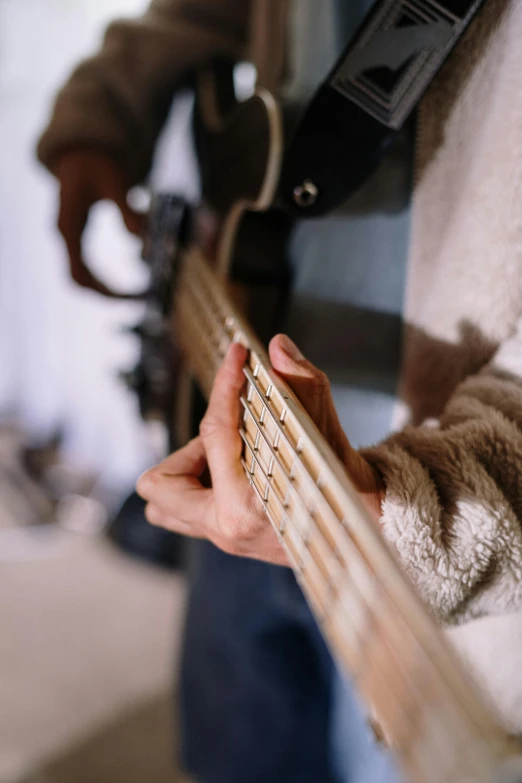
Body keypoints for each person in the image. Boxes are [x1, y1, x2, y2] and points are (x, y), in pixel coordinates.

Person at [37, 0, 522, 780]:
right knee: (236, 754)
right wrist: (108, 107)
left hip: (456, 570)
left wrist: (419, 513)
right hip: (241, 447)